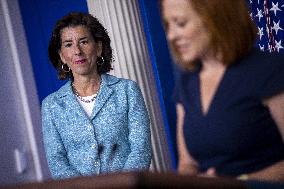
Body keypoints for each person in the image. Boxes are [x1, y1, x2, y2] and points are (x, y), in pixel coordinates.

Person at [160, 0, 284, 181]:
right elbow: (188, 164)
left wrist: (237, 183)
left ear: (216, 18)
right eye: (167, 24)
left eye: (180, 23)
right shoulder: (186, 84)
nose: (171, 35)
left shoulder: (272, 68)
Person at [41, 12, 152, 179]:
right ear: (62, 56)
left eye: (84, 42)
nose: (77, 51)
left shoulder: (127, 90)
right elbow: (57, 161)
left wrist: (121, 185)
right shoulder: (51, 105)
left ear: (98, 47)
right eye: (68, 44)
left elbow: (141, 149)